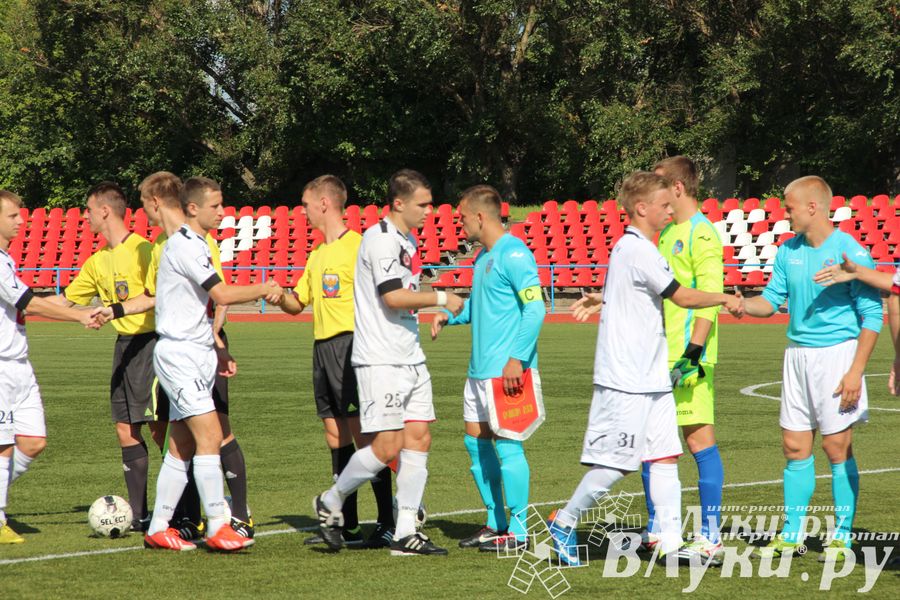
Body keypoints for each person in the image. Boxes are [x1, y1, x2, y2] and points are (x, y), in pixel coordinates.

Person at [547, 171, 742, 567]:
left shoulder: (634, 248)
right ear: (641, 208)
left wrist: (602, 298)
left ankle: (669, 541)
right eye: (663, 205)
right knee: (617, 463)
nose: (670, 210)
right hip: (627, 377)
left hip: (651, 376)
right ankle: (563, 521)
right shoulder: (638, 249)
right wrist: (724, 298)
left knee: (665, 456)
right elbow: (682, 296)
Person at [105, 173, 283, 551]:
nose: (222, 212)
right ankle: (218, 524)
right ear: (192, 208)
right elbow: (222, 294)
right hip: (181, 356)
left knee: (181, 445)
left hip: (195, 352)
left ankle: (158, 527)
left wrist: (216, 348)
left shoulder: (195, 244)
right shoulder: (184, 245)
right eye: (215, 206)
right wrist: (265, 287)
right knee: (211, 436)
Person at [313, 169, 464, 556]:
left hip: (409, 354)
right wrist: (443, 298)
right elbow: (393, 298)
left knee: (419, 438)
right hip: (380, 359)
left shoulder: (406, 239)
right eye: (423, 204)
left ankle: (405, 531)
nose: (430, 211)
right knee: (386, 446)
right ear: (399, 203)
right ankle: (331, 500)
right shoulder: (380, 239)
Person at [738, 176, 881, 564]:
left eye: (789, 208)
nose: (785, 215)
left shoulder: (851, 252)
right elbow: (770, 301)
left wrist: (855, 371)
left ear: (812, 207)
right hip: (797, 356)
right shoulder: (788, 251)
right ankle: (792, 535)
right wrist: (740, 304)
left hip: (837, 356)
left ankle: (842, 536)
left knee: (837, 447)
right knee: (794, 447)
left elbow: (872, 317)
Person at [279, 175, 395, 548]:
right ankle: (348, 524)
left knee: (365, 436)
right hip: (322, 348)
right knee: (335, 436)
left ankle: (388, 522)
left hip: (351, 346)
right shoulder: (316, 254)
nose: (302, 211)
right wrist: (278, 295)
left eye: (305, 204)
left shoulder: (358, 246)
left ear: (324, 203)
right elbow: (298, 303)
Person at [431, 184, 544, 552]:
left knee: (509, 447)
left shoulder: (515, 254)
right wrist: (449, 316)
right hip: (479, 371)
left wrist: (517, 359)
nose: (459, 225)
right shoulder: (482, 258)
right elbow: (480, 309)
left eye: (462, 217)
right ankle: (496, 523)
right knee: (475, 443)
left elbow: (535, 309)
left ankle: (520, 531)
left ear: (480, 216)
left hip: (507, 372)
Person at [46, 181, 165, 532]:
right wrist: (20, 305)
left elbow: (159, 295)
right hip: (123, 347)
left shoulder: (143, 250)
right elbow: (66, 301)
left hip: (152, 345)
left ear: (104, 210)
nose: (85, 216)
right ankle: (140, 515)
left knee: (161, 430)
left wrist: (115, 310)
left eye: (88, 210)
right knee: (125, 429)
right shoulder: (97, 261)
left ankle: (186, 508)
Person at [0, 189, 101, 543]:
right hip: (1, 367)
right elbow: (29, 302)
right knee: (3, 445)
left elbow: (34, 302)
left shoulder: (7, 260)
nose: (21, 221)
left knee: (34, 442)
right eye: (12, 216)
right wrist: (79, 316)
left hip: (20, 364)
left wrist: (77, 304)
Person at [640, 156, 725, 561]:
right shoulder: (667, 232)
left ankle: (711, 535)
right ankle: (657, 528)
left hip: (689, 356)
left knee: (698, 440)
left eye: (660, 184)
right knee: (651, 442)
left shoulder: (702, 233)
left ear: (677, 187)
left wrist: (694, 352)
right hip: (658, 352)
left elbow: (710, 297)